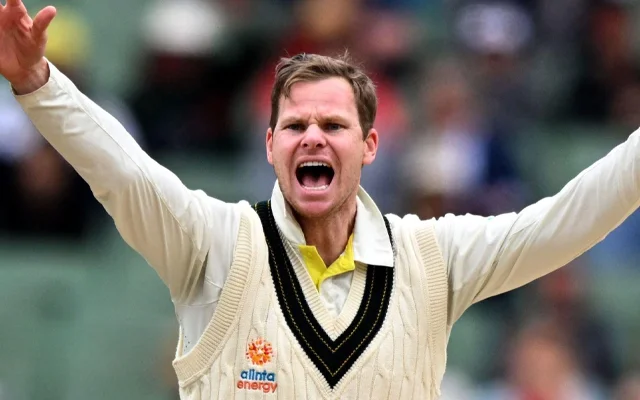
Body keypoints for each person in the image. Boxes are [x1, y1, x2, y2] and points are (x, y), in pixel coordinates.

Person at [2, 2, 640, 399]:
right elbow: (124, 173)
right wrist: (39, 83)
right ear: (270, 144)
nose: (313, 136)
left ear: (369, 146)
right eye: (295, 125)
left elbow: (564, 221)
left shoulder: (432, 257)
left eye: (333, 125)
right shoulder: (215, 242)